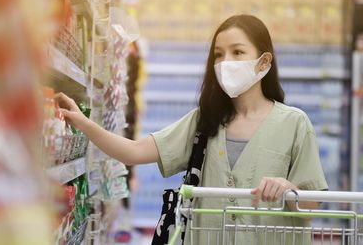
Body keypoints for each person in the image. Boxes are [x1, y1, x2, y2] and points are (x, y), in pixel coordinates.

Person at [55, 14, 328, 244]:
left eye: (238, 52)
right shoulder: (204, 122)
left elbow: (311, 207)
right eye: (218, 55)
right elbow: (133, 152)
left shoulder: (295, 124)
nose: (225, 63)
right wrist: (81, 121)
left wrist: (288, 188)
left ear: (264, 62)